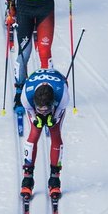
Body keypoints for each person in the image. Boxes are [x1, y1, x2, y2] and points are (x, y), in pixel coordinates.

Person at [15, 68, 71, 204]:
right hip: (34, 85)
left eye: (46, 110)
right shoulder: (26, 98)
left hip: (58, 84)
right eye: (40, 110)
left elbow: (56, 115)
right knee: (34, 132)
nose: (43, 113)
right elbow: (32, 112)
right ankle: (27, 178)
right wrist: (37, 117)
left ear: (52, 105)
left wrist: (53, 119)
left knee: (55, 133)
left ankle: (55, 178)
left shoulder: (63, 97)